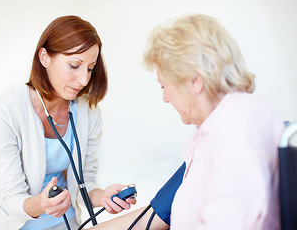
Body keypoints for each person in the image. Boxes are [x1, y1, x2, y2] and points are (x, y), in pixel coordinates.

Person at [86, 14, 284, 230]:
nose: (165, 98)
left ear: (195, 80)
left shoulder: (240, 123)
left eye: (164, 86)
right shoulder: (212, 129)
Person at [0, 15, 136, 230]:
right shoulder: (6, 110)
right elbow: (10, 196)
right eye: (74, 65)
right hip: (15, 224)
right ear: (44, 57)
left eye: (90, 68)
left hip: (66, 223)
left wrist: (103, 197)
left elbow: (84, 181)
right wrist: (43, 204)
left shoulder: (88, 112)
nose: (84, 80)